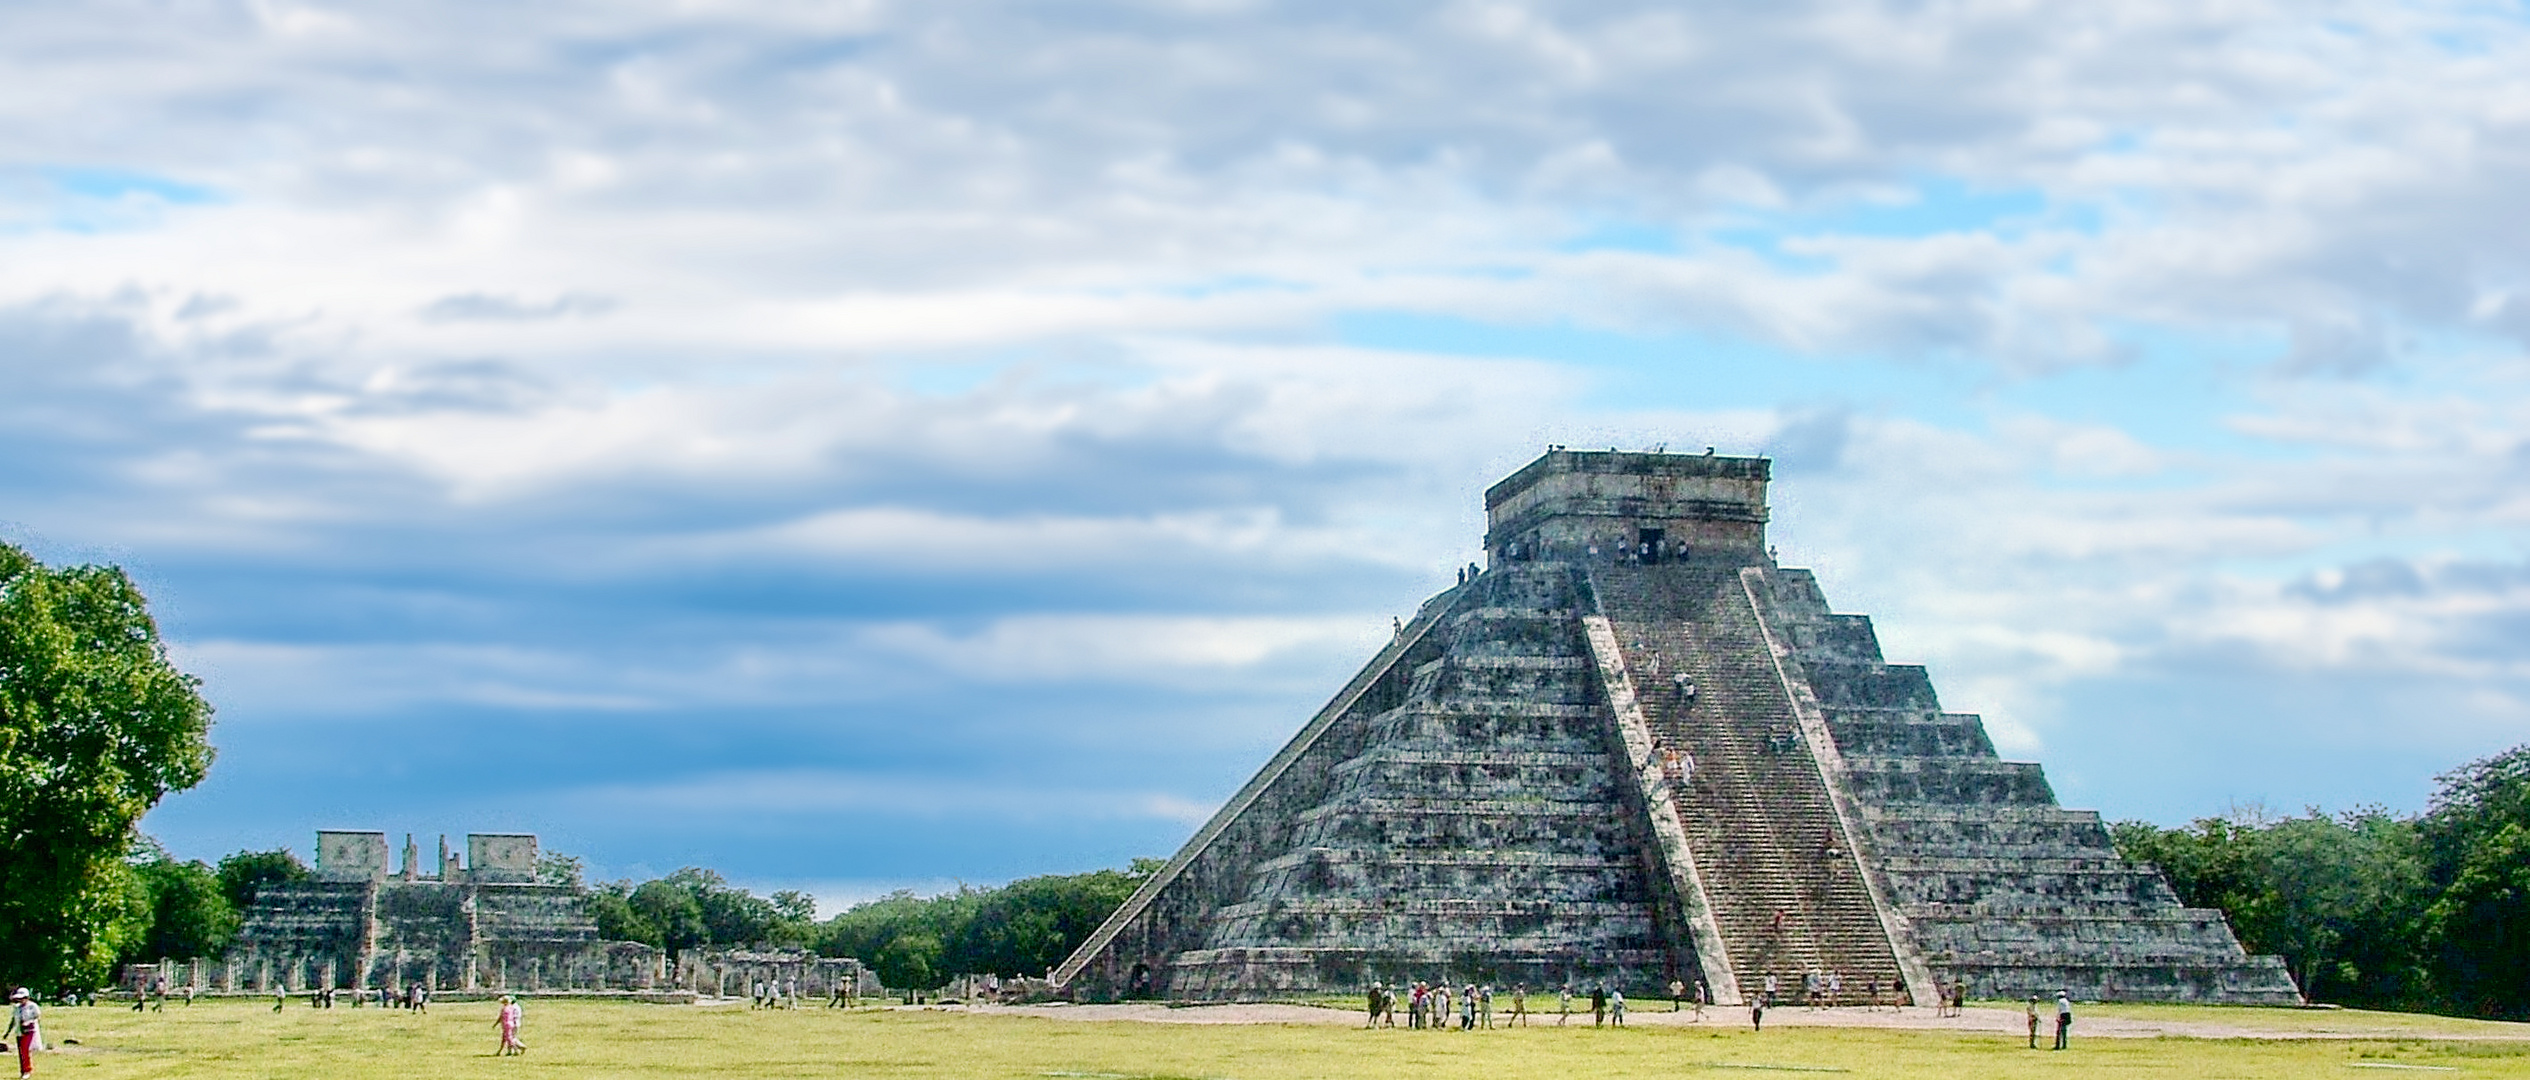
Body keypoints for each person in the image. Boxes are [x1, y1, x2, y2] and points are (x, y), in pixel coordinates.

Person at [11, 988, 39, 1080]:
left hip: (29, 1031)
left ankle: (27, 1070)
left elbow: (37, 1016)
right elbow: (13, 1020)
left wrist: (29, 1022)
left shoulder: (32, 1006)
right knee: (21, 1052)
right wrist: (8, 1032)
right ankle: (23, 1070)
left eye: (23, 998)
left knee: (26, 1050)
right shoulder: (17, 1008)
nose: (21, 1000)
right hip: (19, 1032)